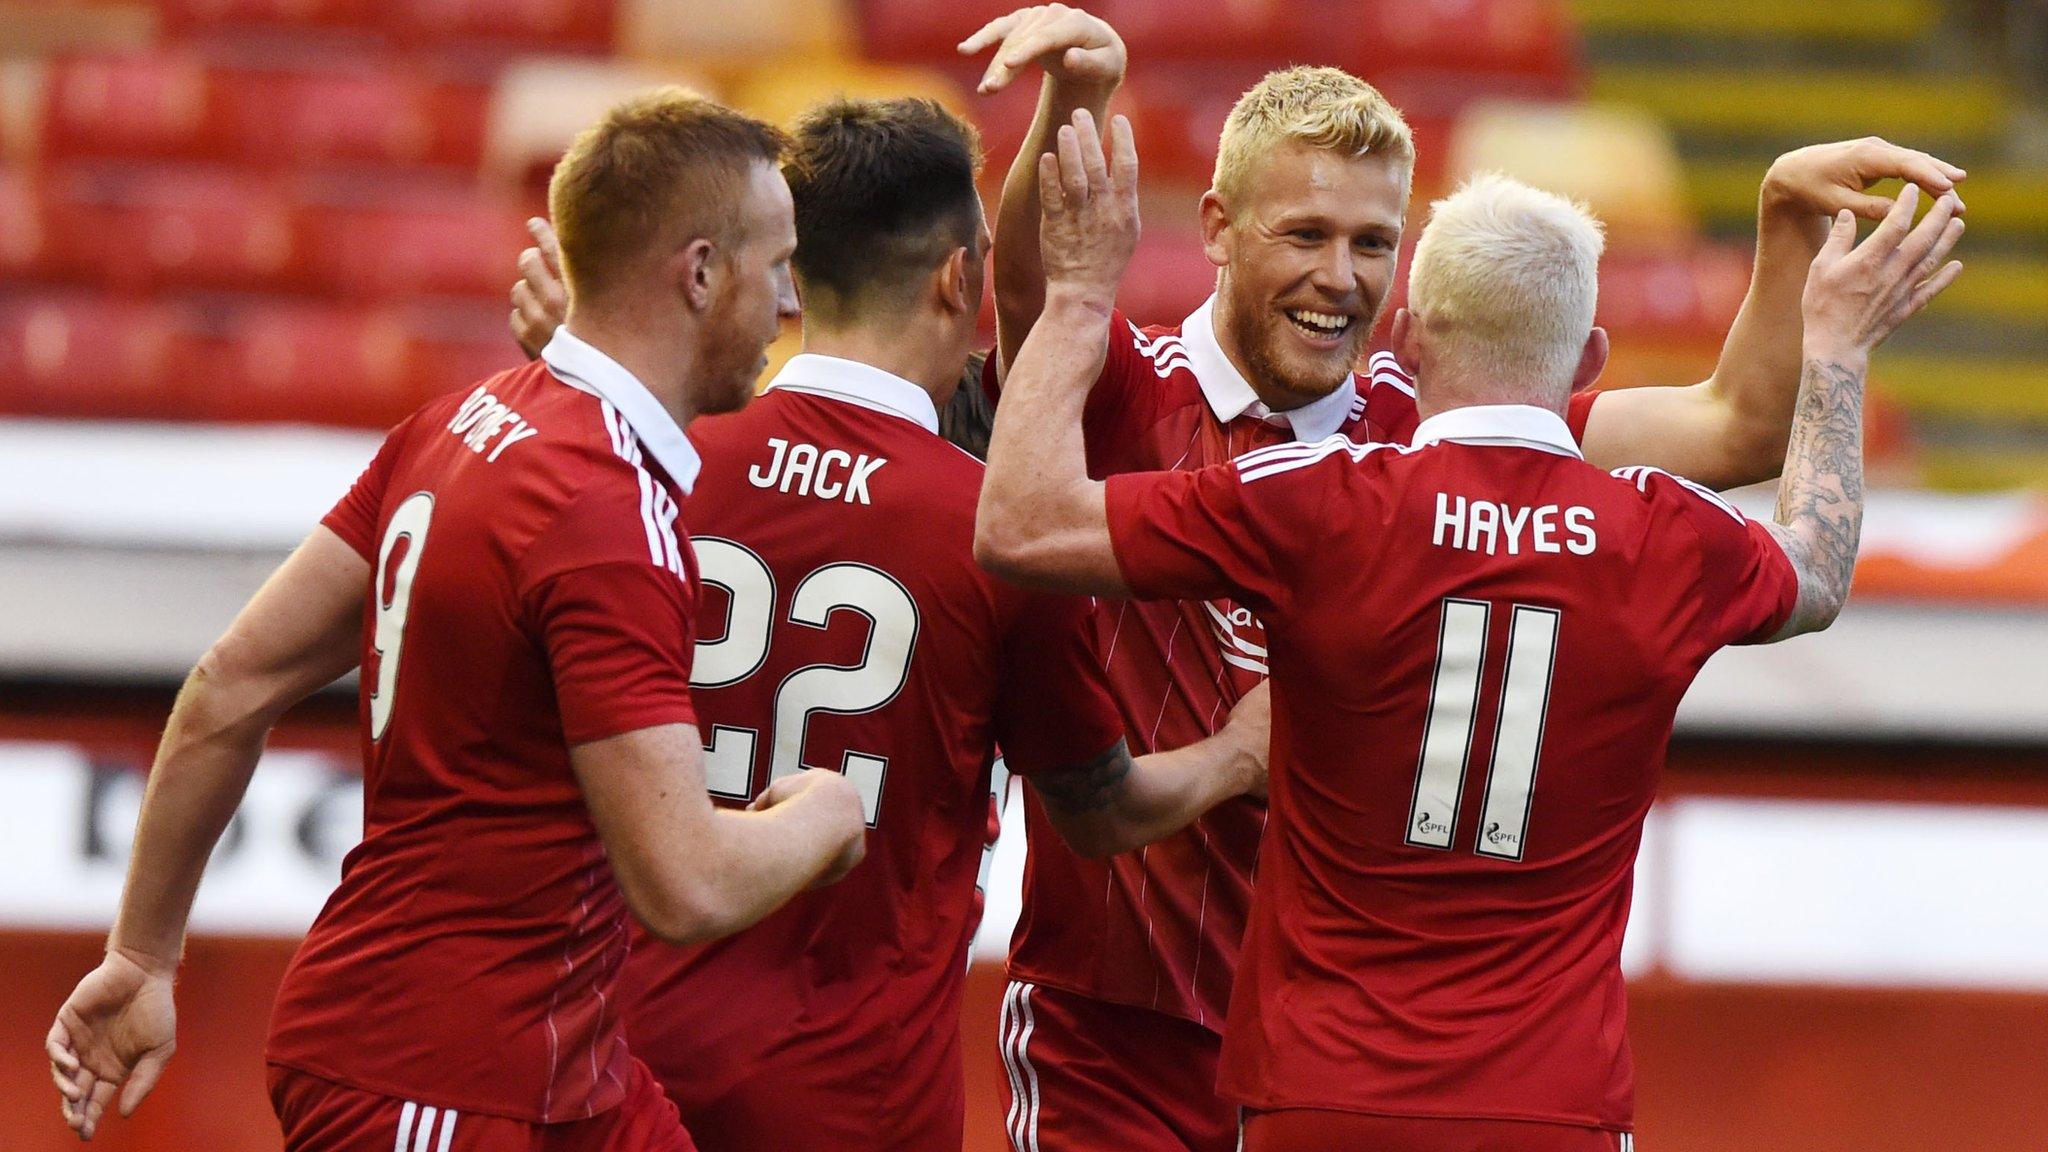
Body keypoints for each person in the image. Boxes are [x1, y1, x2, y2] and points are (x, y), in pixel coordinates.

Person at [958, 10, 1969, 1147]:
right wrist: (1078, 102)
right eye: (1304, 234)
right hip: (1127, 1015)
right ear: (1219, 230)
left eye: (1372, 243)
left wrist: (1779, 222)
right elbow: (1039, 300)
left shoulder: (1428, 425)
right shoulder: (1130, 389)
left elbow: (1733, 425)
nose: (1336, 279)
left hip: (1319, 1047)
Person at [45, 90, 871, 1151]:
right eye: (776, 266)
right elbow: (686, 882)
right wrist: (827, 816)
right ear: (702, 272)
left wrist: (143, 955)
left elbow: (229, 685)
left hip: (550, 1059)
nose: (788, 302)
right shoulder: (603, 510)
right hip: (441, 1076)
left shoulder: (460, 420)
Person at [508, 97, 1271, 1152]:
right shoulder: (994, 532)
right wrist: (1234, 755)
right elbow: (1100, 812)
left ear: (794, 271)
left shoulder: (650, 472)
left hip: (614, 1062)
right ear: (961, 278)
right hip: (851, 1096)